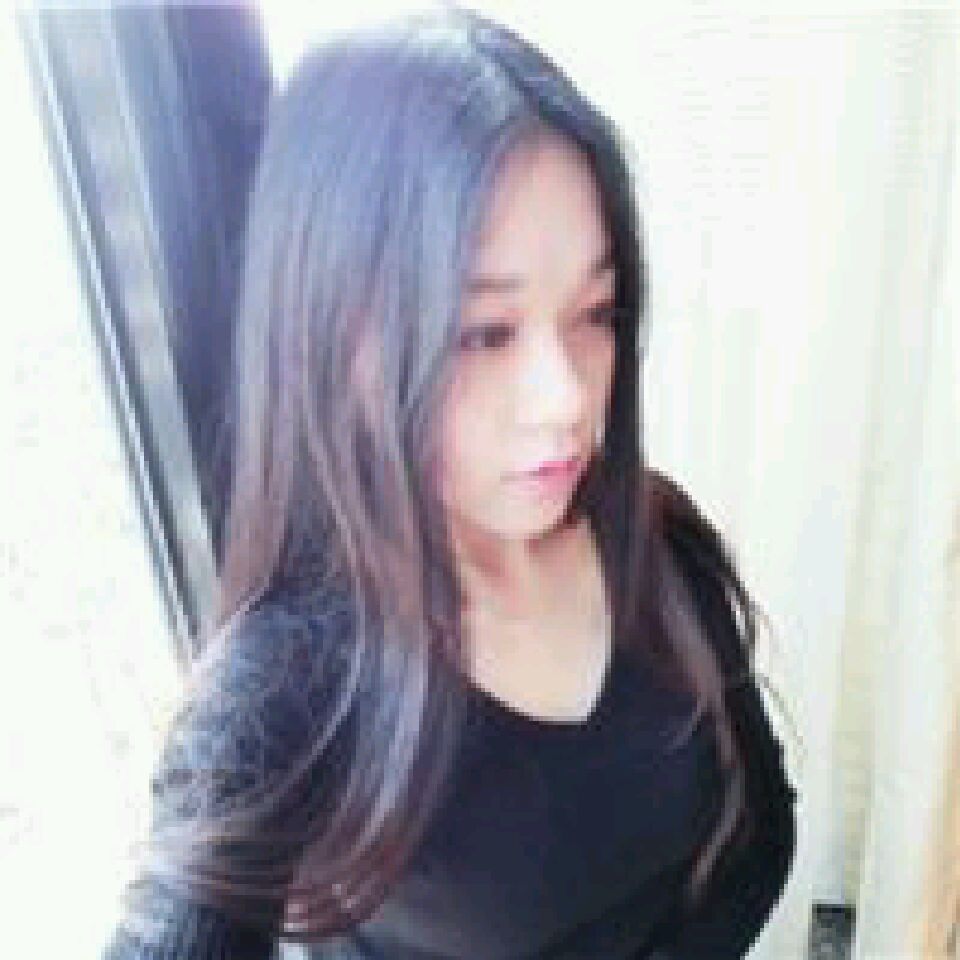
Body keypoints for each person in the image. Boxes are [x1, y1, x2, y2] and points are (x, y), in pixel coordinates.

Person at [103, 6, 798, 958]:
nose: (567, 399)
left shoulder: (654, 536)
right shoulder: (285, 689)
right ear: (332, 333)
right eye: (483, 334)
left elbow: (762, 829)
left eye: (596, 312)